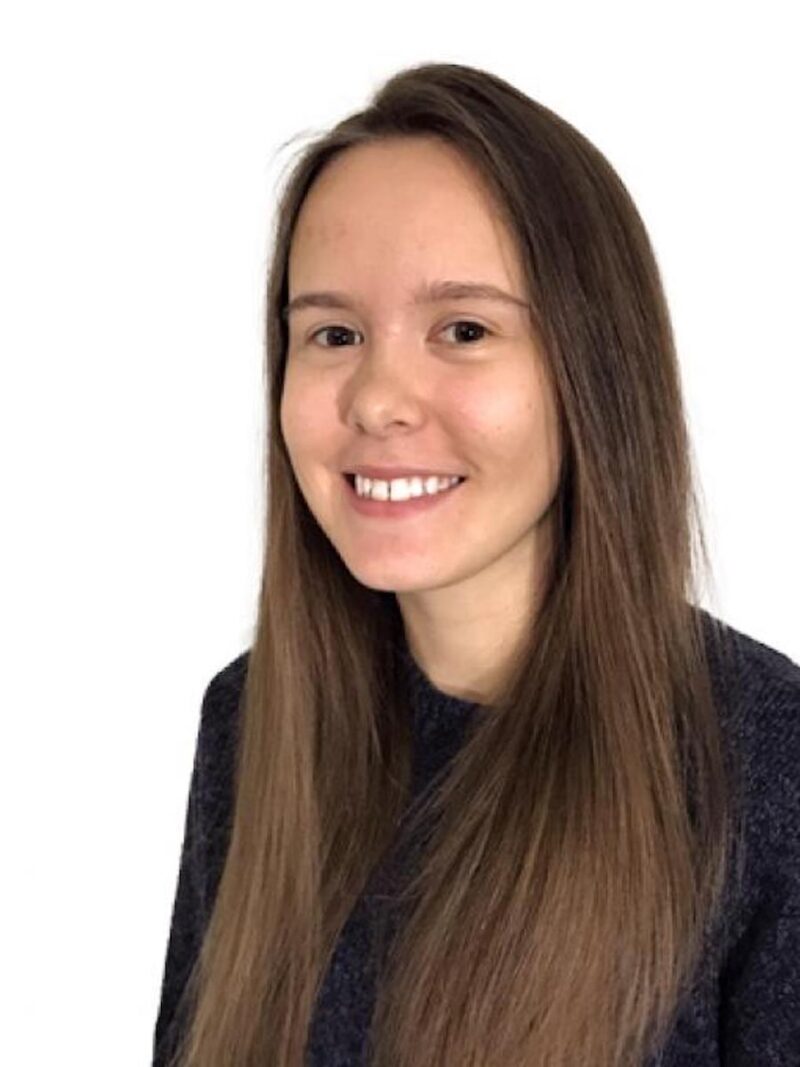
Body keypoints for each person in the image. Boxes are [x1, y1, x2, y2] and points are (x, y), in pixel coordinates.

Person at [152, 62, 800, 1066]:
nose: (376, 398)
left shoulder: (763, 757)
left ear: (591, 374)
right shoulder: (250, 724)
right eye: (332, 332)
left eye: (463, 329)